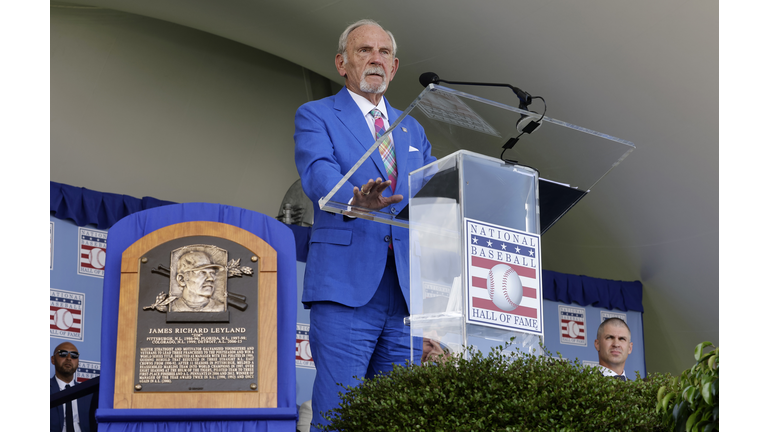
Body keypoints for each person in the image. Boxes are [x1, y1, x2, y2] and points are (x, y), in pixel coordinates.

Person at [294, 19, 437, 431]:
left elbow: (434, 188)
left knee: (396, 420)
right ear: (342, 63)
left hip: (406, 295)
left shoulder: (412, 128)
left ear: (394, 66)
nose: (376, 58)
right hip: (346, 288)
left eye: (384, 52)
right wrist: (352, 199)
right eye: (364, 50)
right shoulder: (317, 114)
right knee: (339, 416)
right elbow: (318, 172)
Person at [50, 342, 92, 432]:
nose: (69, 358)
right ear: (53, 360)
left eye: (74, 355)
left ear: (78, 362)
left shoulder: (88, 393)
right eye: (63, 353)